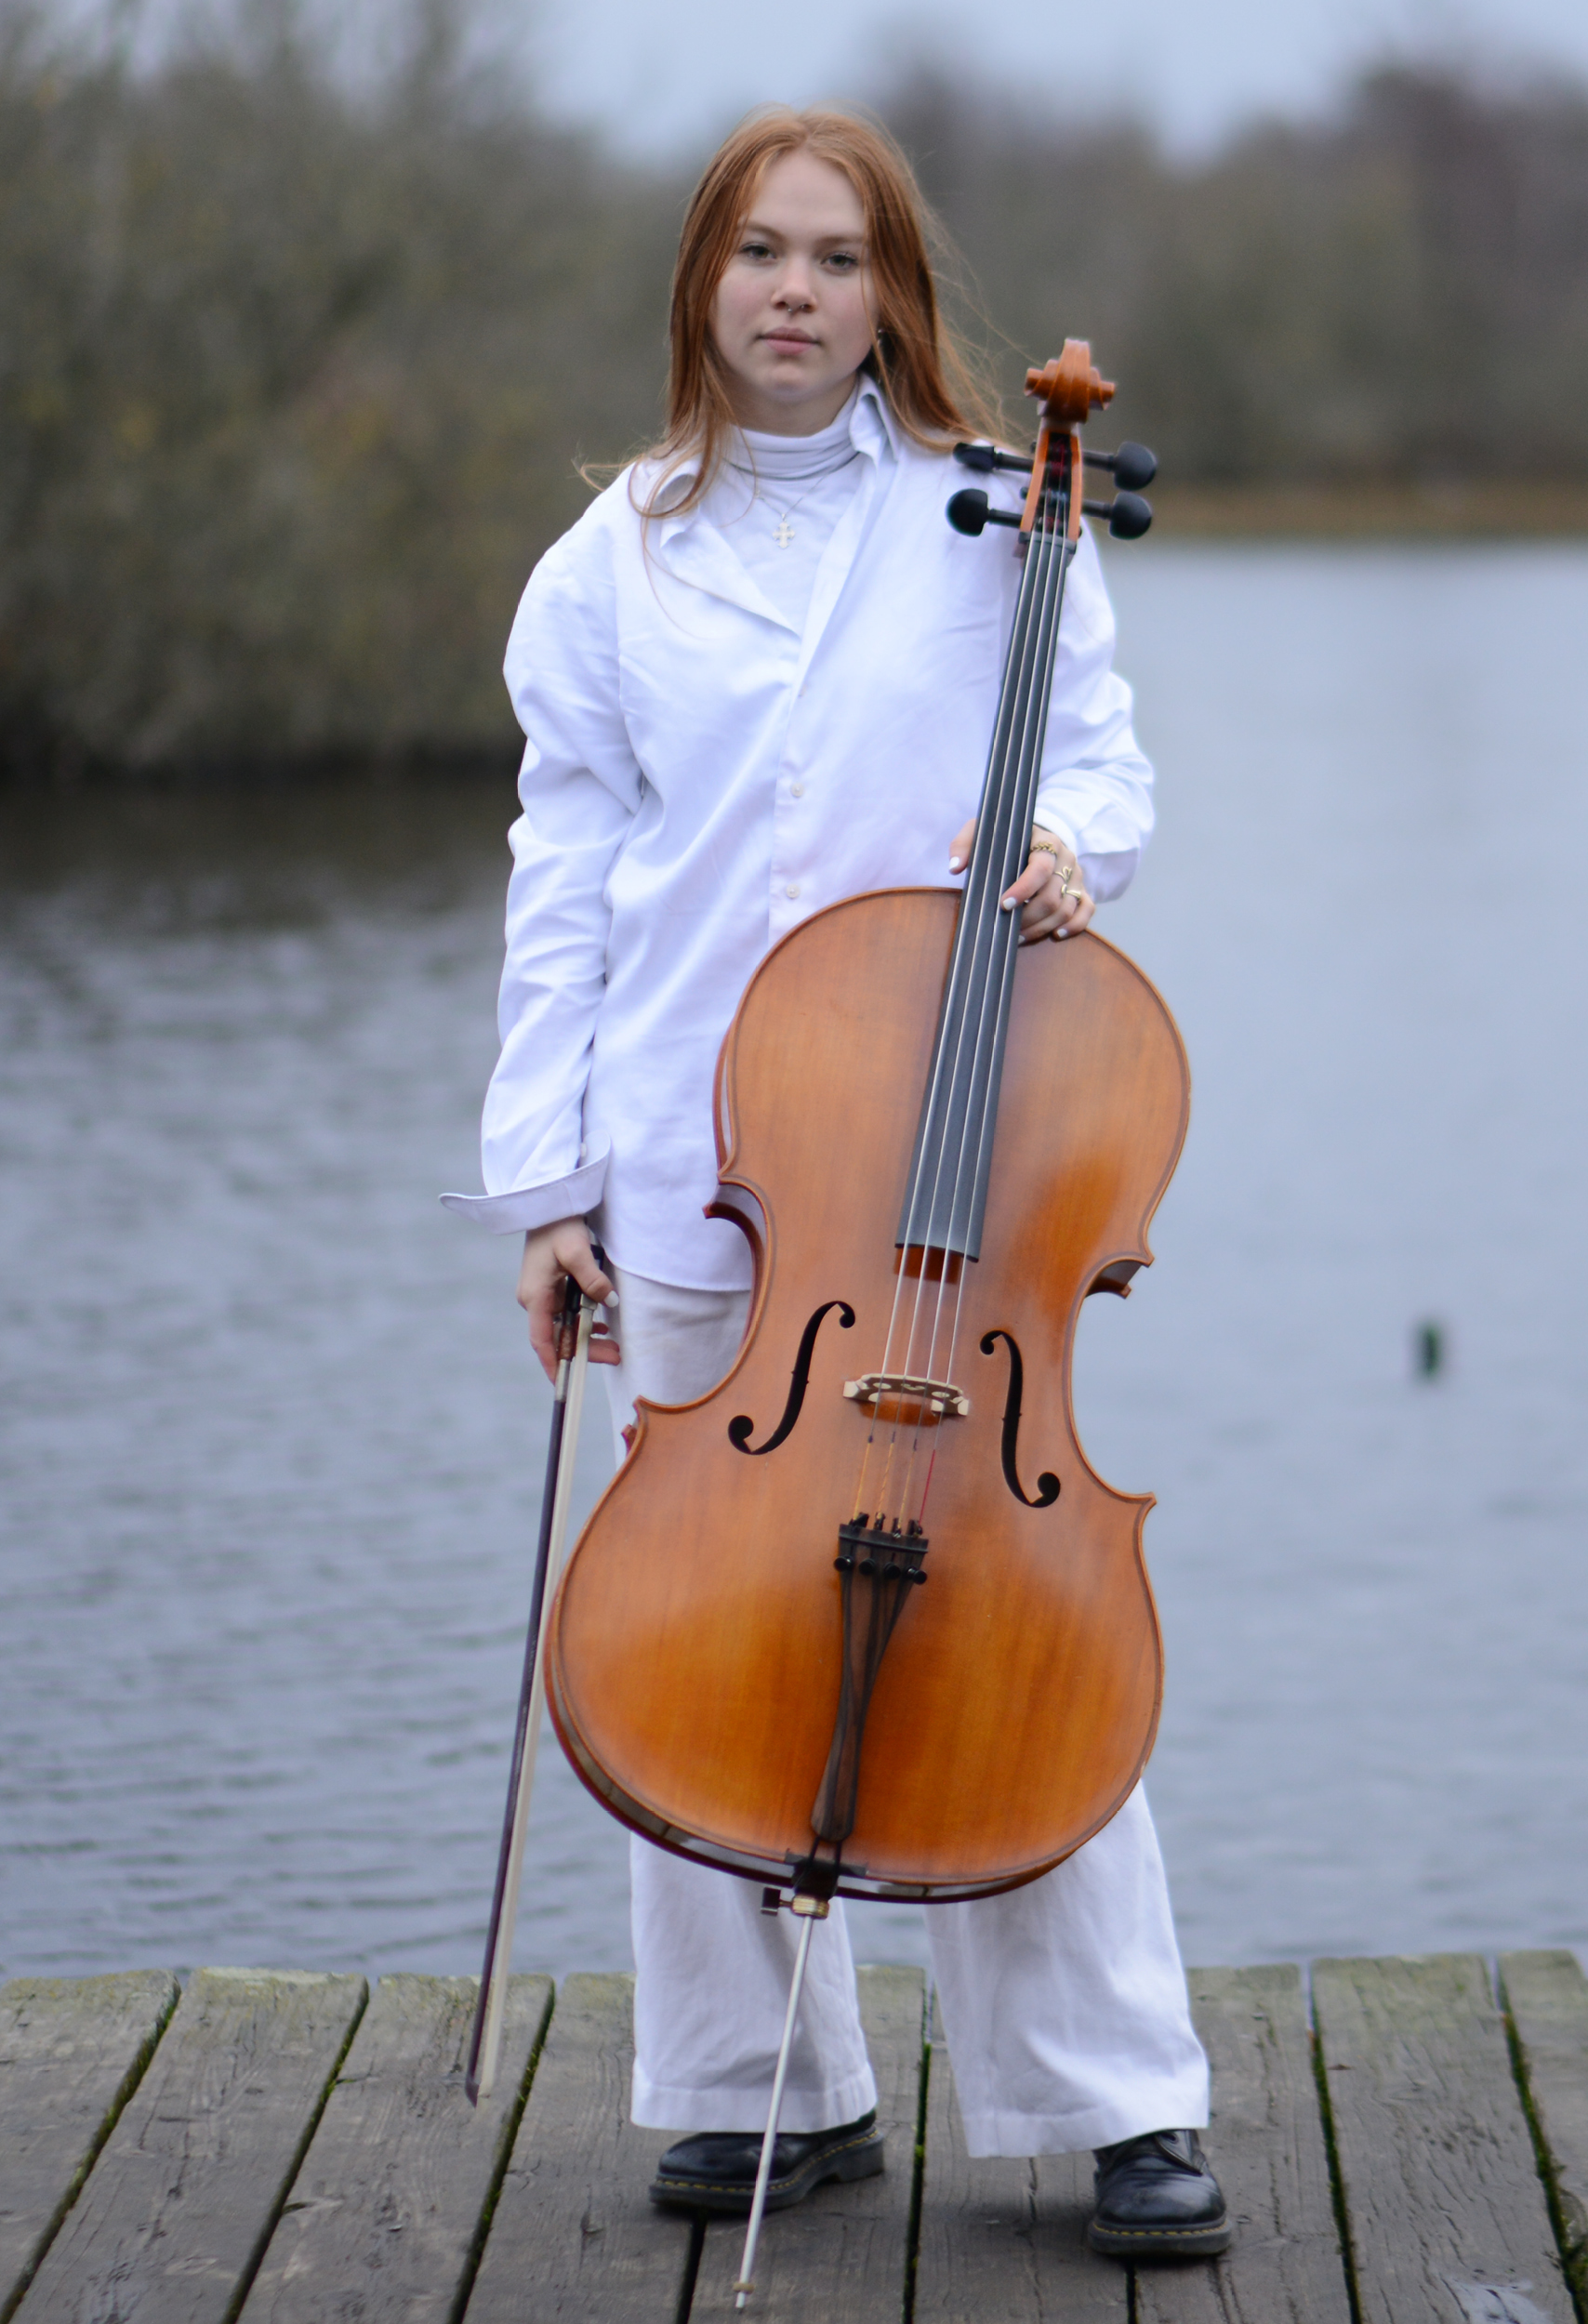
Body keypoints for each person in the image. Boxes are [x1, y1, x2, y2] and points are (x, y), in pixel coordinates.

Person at [443, 105, 1229, 2261]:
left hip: (949, 1170)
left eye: (835, 256)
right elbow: (562, 884)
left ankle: (1114, 2095)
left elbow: (1097, 757)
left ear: (888, 294)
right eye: (755, 251)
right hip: (699, 1161)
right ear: (701, 283)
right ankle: (749, 2080)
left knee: (1005, 1623)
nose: (791, 290)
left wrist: (1075, 851)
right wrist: (546, 1187)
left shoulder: (994, 520)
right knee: (691, 1619)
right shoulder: (602, 562)